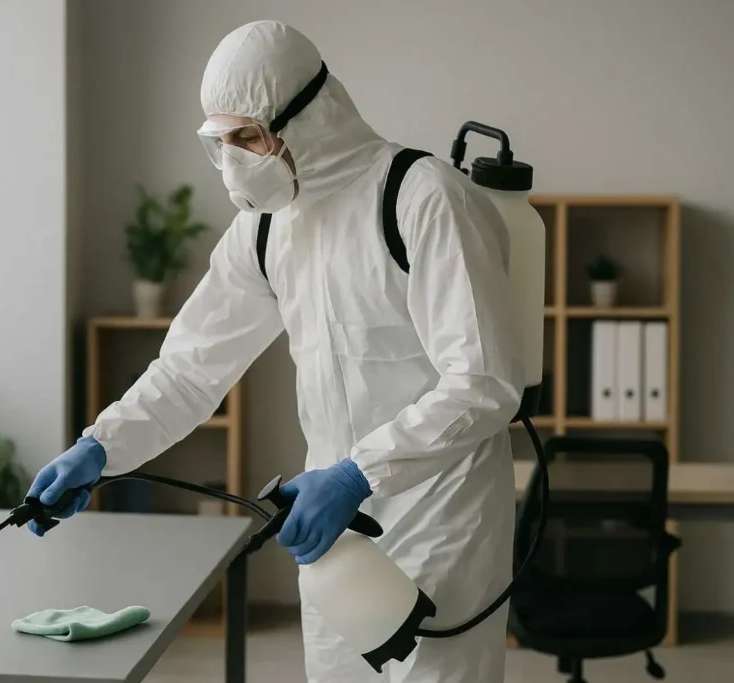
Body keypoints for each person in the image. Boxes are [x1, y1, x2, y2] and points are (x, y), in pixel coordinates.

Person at [27, 19, 524, 683]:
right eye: (220, 141)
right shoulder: (262, 231)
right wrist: (99, 447)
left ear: (311, 117)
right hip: (334, 534)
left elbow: (484, 381)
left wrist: (359, 473)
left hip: (441, 520)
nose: (235, 160)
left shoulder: (422, 198)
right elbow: (188, 370)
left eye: (249, 137)